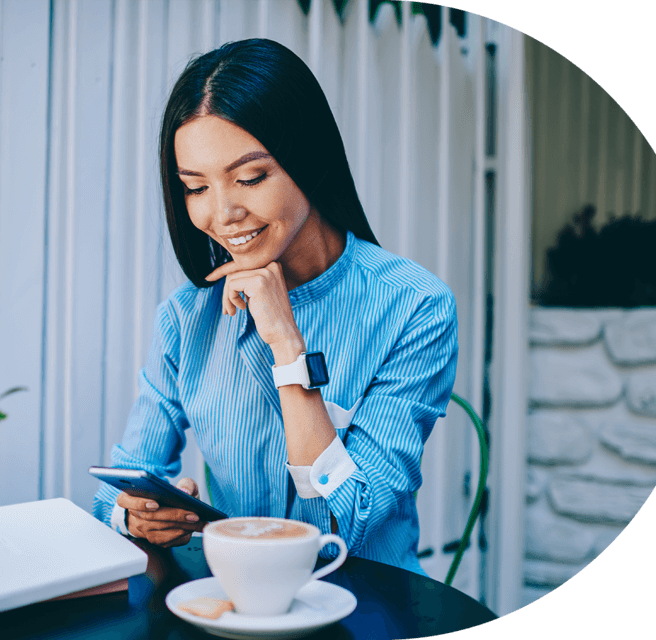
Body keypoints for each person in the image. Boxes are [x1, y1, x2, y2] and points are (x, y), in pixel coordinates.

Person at [91, 38, 457, 577]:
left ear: (308, 158)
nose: (224, 213)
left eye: (250, 178)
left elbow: (345, 523)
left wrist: (288, 348)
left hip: (372, 605)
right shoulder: (186, 320)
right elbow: (114, 490)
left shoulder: (413, 307)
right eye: (195, 187)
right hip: (238, 604)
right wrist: (139, 517)